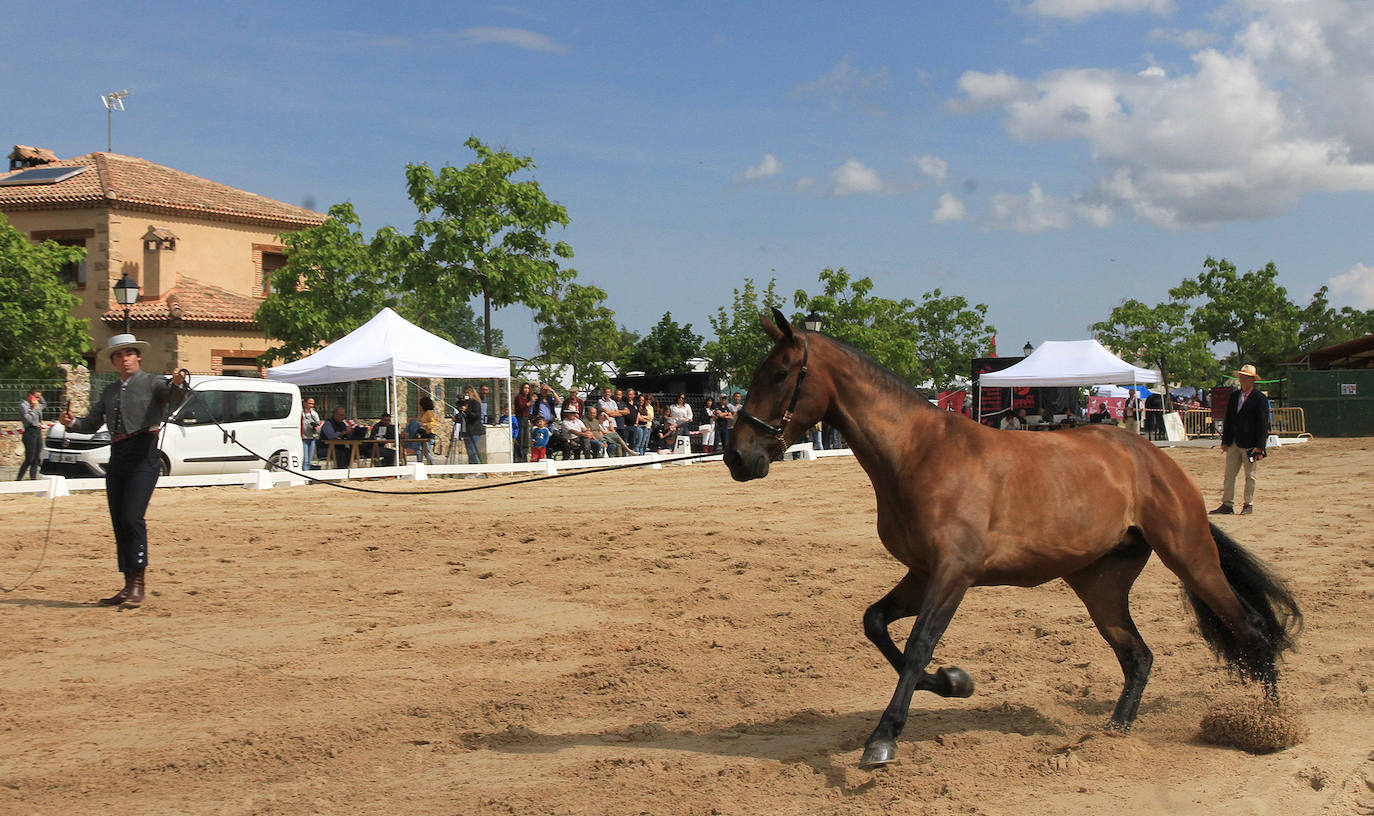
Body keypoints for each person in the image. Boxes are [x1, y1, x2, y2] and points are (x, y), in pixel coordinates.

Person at [59, 333, 187, 607]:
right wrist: (72, 423)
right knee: (119, 522)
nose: (125, 359)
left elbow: (174, 398)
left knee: (132, 518)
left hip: (144, 455)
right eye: (119, 355)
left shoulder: (153, 383)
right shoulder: (109, 391)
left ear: (138, 356)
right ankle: (128, 584)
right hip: (118, 458)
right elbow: (91, 423)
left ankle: (139, 583)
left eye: (129, 354)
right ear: (115, 361)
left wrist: (178, 383)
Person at [1211, 364, 1271, 516]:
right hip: (1233, 442)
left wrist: (1260, 446)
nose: (1243, 380)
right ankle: (1227, 504)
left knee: (1250, 476)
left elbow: (1264, 423)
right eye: (1242, 377)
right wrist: (1225, 441)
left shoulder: (1260, 398)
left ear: (1252, 380)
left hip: (1251, 444)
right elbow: (1229, 419)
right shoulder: (1234, 396)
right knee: (1229, 475)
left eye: (1246, 378)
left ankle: (1248, 504)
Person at [18, 386, 45, 480]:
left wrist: (39, 398)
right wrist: (34, 408)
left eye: (39, 397)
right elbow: (28, 419)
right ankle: (18, 479)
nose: (38, 400)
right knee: (30, 459)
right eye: (36, 397)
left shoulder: (38, 404)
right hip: (29, 431)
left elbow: (44, 404)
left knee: (36, 459)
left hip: (37, 431)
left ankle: (33, 480)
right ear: (30, 397)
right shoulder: (24, 405)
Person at [458, 386, 485, 465]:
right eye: (465, 393)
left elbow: (476, 416)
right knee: (469, 451)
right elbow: (462, 416)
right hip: (466, 430)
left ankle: (477, 467)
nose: (466, 395)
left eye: (468, 393)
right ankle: (471, 469)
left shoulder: (475, 403)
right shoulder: (465, 403)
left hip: (474, 430)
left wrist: (467, 410)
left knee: (473, 451)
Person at [513, 382, 533, 463]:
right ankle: (519, 458)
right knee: (520, 439)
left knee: (525, 439)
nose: (526, 390)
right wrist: (530, 402)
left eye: (528, 388)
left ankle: (524, 457)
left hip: (526, 419)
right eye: (525, 388)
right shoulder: (519, 398)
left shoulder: (527, 398)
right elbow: (521, 407)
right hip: (520, 418)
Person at [300, 397, 321, 471]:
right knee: (305, 459)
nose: (311, 405)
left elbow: (318, 425)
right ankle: (305, 474)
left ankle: (307, 474)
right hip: (304, 438)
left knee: (309, 459)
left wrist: (315, 427)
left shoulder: (314, 413)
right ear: (304, 403)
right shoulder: (301, 413)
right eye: (309, 403)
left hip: (312, 437)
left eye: (312, 404)